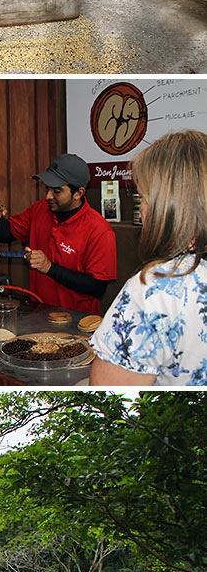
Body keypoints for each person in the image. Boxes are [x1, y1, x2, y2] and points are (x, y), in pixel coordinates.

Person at [90, 130, 207, 386]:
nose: (141, 209)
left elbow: (106, 395)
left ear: (167, 205)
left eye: (142, 197)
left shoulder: (153, 288)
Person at [0, 153, 116, 314]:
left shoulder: (100, 230)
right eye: (47, 188)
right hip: (38, 315)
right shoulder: (40, 210)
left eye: (57, 191)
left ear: (78, 193)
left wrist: (49, 267)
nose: (48, 196)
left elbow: (97, 287)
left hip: (76, 322)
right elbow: (4, 235)